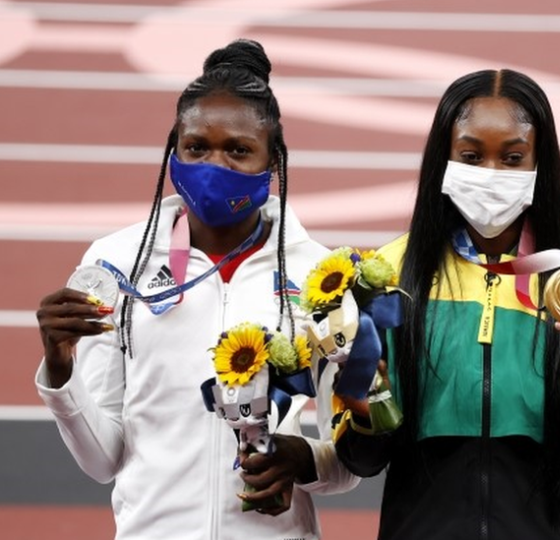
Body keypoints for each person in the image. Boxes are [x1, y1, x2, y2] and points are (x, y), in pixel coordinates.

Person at [34, 39, 358, 539]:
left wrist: (303, 462)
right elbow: (102, 459)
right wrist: (60, 366)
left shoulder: (317, 275)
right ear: (174, 150)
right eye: (197, 147)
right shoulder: (118, 263)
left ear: (273, 163)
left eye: (238, 150)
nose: (214, 166)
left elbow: (349, 464)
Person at [333, 69, 560, 539]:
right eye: (471, 156)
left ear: (541, 164)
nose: (491, 175)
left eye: (513, 158)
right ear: (444, 159)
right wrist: (365, 408)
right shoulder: (389, 276)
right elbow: (363, 461)